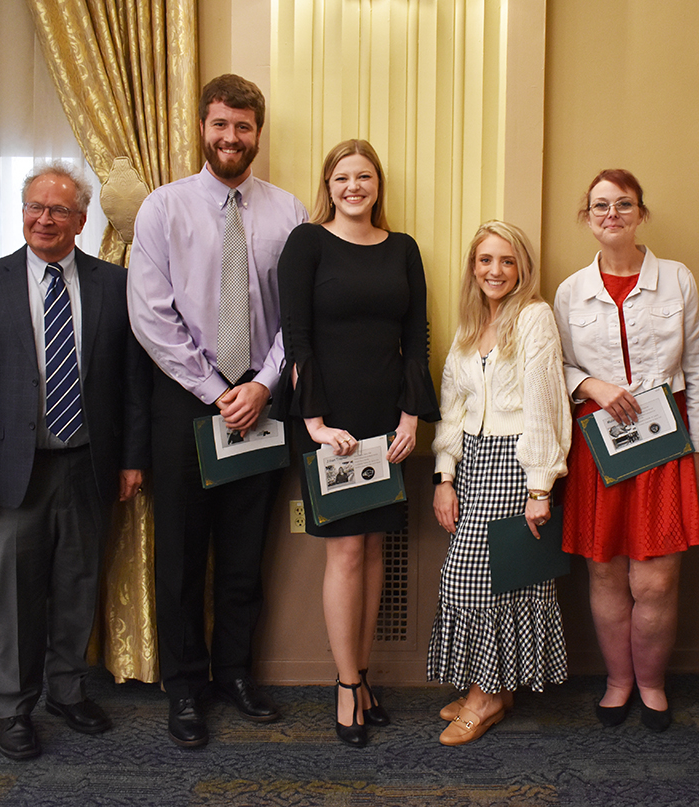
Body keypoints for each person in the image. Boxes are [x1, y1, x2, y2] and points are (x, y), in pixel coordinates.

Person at [0, 160, 150, 759]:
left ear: (82, 220)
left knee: (78, 584)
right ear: (24, 213)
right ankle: (13, 707)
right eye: (36, 206)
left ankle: (65, 689)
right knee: (16, 594)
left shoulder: (115, 284)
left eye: (60, 209)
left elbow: (132, 383)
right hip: (13, 473)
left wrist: (132, 459)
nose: (45, 218)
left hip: (89, 464)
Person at [127, 74, 307, 748]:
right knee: (179, 554)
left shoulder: (288, 212)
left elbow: (297, 314)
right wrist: (214, 390)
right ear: (202, 127)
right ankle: (185, 687)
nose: (231, 137)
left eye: (244, 127)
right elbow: (151, 315)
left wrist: (260, 385)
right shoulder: (162, 208)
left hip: (262, 402)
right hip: (186, 403)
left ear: (259, 134)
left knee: (242, 551)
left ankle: (234, 672)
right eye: (220, 125)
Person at [278, 139, 439, 748]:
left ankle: (362, 675)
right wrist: (315, 424)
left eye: (364, 176)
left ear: (378, 185)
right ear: (330, 184)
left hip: (386, 421)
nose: (354, 187)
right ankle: (345, 686)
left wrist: (410, 416)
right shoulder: (307, 243)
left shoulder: (403, 249)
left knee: (374, 551)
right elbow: (296, 336)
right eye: (343, 177)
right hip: (331, 422)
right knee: (344, 553)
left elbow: (416, 336)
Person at [553, 169, 699, 733]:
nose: (611, 214)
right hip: (600, 448)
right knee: (605, 576)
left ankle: (651, 683)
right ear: (587, 216)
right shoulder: (571, 290)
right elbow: (560, 367)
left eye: (623, 204)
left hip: (665, 445)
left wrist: (698, 453)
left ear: (641, 213)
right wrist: (589, 386)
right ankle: (618, 681)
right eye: (600, 205)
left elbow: (697, 367)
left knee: (655, 581)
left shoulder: (677, 279)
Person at [428, 220, 572, 746]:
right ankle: (493, 687)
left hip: (516, 462)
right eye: (486, 260)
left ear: (522, 268)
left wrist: (540, 486)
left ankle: (486, 700)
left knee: (494, 580)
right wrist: (445, 475)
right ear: (473, 266)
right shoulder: (470, 326)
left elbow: (544, 400)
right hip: (472, 460)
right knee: (472, 580)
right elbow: (452, 405)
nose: (496, 270)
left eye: (507, 261)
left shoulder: (534, 317)